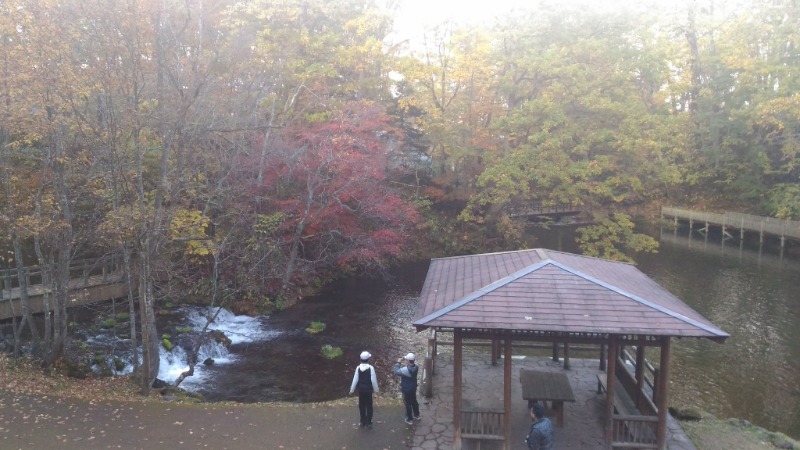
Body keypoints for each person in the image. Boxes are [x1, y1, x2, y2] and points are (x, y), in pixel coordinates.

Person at [349, 350, 379, 428]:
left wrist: (351, 390)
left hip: (361, 390)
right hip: (368, 390)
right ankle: (369, 422)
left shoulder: (358, 368)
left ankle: (363, 421)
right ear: (368, 359)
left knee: (361, 405)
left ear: (360, 359)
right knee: (369, 405)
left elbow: (355, 379)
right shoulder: (371, 368)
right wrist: (376, 390)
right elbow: (373, 380)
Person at [394, 352, 420, 425]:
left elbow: (396, 371)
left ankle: (409, 418)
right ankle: (417, 415)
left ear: (408, 361)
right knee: (414, 400)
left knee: (408, 403)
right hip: (413, 387)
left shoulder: (405, 370)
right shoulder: (416, 367)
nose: (405, 361)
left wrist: (398, 363)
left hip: (406, 388)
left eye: (406, 360)